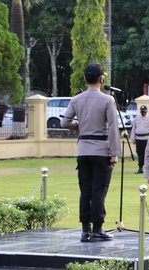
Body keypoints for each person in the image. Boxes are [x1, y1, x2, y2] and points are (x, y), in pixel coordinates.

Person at [61, 63, 120, 242]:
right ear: (101, 79)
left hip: (83, 150)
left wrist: (81, 125)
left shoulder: (77, 99)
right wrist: (114, 152)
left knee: (85, 190)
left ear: (86, 79)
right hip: (101, 151)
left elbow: (64, 123)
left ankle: (85, 229)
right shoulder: (108, 100)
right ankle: (97, 229)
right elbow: (112, 128)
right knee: (99, 190)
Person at [130, 105, 149, 174]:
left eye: (144, 111)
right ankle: (140, 168)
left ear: (147, 111)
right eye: (142, 111)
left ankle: (148, 168)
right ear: (140, 111)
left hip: (147, 139)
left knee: (147, 154)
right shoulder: (137, 118)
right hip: (138, 138)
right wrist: (133, 138)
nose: (143, 112)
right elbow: (134, 128)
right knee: (139, 153)